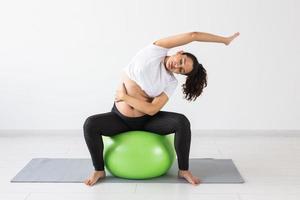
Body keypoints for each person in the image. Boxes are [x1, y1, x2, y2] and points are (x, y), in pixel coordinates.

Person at [83, 31, 240, 186]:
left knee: (182, 122)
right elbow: (193, 35)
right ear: (180, 52)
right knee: (90, 124)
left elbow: (152, 110)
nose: (177, 66)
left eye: (181, 70)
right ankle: (99, 170)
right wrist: (224, 40)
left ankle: (184, 170)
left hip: (147, 120)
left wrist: (125, 97)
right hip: (120, 119)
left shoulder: (170, 82)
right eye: (181, 61)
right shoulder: (155, 50)